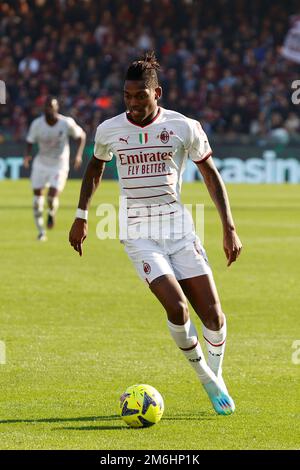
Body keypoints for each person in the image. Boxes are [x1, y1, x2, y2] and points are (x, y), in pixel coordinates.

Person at [69, 52, 242, 415]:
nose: (132, 104)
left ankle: (218, 373)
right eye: (127, 97)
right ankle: (205, 379)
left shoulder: (184, 127)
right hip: (138, 233)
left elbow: (211, 176)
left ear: (157, 93)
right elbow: (95, 168)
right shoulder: (109, 130)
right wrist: (81, 215)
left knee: (214, 317)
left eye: (140, 97)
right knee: (178, 308)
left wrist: (228, 227)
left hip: (179, 229)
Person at [24, 96, 86, 241]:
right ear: (43, 109)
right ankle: (41, 232)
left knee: (51, 196)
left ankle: (51, 212)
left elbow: (81, 136)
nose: (48, 109)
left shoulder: (66, 123)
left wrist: (78, 155)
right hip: (41, 163)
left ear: (57, 108)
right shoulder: (37, 124)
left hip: (59, 164)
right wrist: (27, 156)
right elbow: (29, 141)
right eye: (46, 107)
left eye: (51, 107)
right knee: (37, 201)